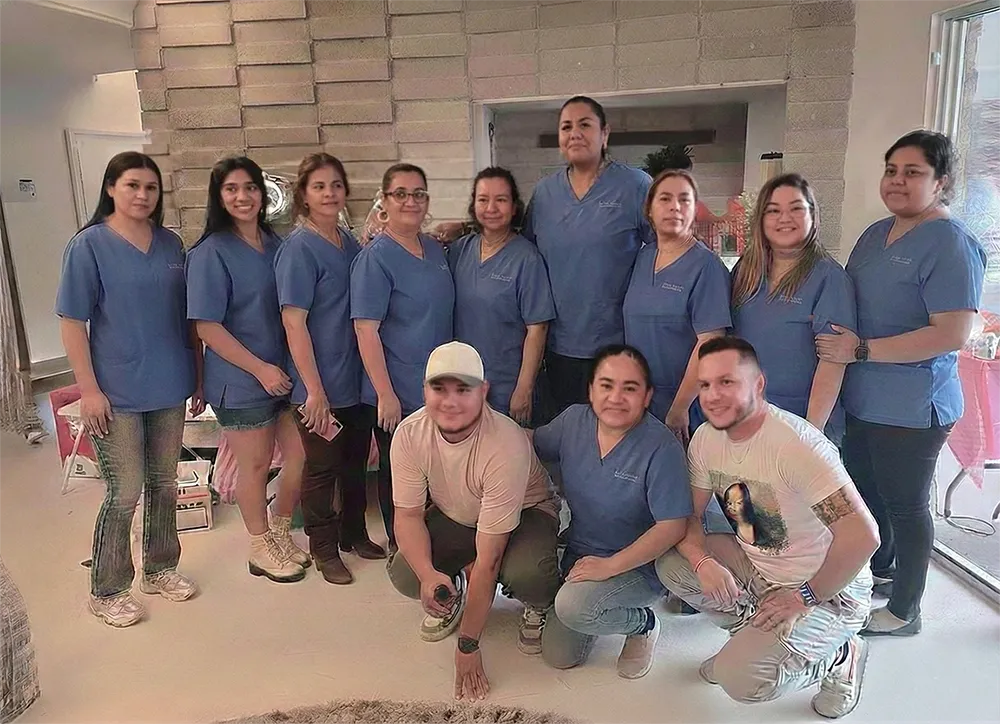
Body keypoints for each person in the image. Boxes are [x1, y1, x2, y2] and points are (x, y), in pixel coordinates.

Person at [816, 131, 986, 636]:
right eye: (892, 170)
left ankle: (905, 610)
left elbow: (952, 332)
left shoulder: (951, 243)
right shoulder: (876, 234)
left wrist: (863, 351)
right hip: (864, 397)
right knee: (867, 496)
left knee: (906, 507)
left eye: (913, 172)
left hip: (913, 405)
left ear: (942, 182)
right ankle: (882, 574)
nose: (897, 181)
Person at [656, 336, 879, 719]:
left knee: (742, 680)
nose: (713, 396)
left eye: (727, 382)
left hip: (828, 590)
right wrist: (702, 563)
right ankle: (752, 637)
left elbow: (863, 537)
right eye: (705, 384)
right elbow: (689, 517)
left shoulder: (797, 446)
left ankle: (842, 654)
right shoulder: (706, 440)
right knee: (674, 565)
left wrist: (804, 597)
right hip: (762, 567)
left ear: (758, 384)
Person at [56, 152, 201, 626]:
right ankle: (107, 588)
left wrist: (196, 376)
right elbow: (73, 323)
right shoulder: (89, 246)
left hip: (169, 383)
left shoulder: (171, 245)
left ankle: (160, 569)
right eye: (132, 185)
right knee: (125, 490)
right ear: (111, 188)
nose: (142, 195)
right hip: (114, 391)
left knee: (164, 482)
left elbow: (187, 319)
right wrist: (89, 390)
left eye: (151, 187)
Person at [387, 341, 561, 701]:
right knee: (406, 572)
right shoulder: (408, 434)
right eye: (439, 388)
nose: (450, 401)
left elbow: (489, 559)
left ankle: (538, 602)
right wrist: (428, 575)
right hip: (460, 513)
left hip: (527, 513)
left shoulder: (506, 443)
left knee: (530, 575)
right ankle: (451, 587)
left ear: (483, 391)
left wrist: (468, 644)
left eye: (463, 389)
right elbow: (407, 515)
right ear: (424, 391)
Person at [186, 156, 309, 584]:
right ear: (218, 197)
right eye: (232, 189)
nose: (243, 197)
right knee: (254, 466)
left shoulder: (277, 244)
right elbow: (206, 327)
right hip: (240, 380)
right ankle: (259, 546)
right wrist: (260, 369)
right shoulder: (210, 253)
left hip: (283, 376)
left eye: (250, 187)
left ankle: (279, 530)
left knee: (300, 456)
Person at [535, 345, 692, 679]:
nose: (616, 398)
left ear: (647, 396)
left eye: (630, 388)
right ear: (591, 390)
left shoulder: (661, 448)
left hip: (637, 565)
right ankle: (593, 604)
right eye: (606, 385)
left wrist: (609, 567)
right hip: (581, 553)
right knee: (559, 655)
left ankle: (643, 624)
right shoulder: (572, 422)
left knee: (572, 607)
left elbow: (673, 526)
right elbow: (531, 444)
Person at [276, 153, 385, 586]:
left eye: (336, 185)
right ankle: (323, 549)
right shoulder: (298, 249)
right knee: (321, 469)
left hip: (354, 378)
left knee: (355, 462)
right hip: (318, 382)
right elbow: (294, 322)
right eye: (319, 186)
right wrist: (313, 391)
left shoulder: (349, 243)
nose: (329, 193)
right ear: (303, 195)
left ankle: (353, 533)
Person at [524, 96, 656, 422]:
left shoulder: (635, 186)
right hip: (557, 347)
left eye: (585, 125)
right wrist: (465, 229)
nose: (575, 134)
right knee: (566, 436)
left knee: (615, 436)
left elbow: (665, 248)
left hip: (617, 346)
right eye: (566, 127)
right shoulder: (544, 194)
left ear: (604, 134)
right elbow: (520, 251)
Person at [351, 163, 455, 552]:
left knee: (436, 474)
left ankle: (436, 544)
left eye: (418, 194)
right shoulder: (375, 258)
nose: (410, 201)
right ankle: (404, 550)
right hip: (396, 388)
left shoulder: (434, 249)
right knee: (400, 477)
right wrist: (385, 394)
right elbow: (366, 330)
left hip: (437, 387)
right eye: (400, 194)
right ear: (384, 201)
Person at [732, 173, 856, 443]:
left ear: (813, 216)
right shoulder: (746, 271)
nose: (784, 218)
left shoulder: (829, 278)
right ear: (760, 219)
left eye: (796, 209)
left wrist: (810, 435)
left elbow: (832, 362)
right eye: (773, 210)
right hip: (745, 415)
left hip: (800, 421)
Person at [622, 169, 730, 442]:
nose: (675, 207)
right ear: (649, 209)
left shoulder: (706, 266)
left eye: (684, 199)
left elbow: (710, 342)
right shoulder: (642, 258)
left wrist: (680, 407)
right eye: (665, 199)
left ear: (695, 210)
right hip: (640, 400)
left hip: (686, 406)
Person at [448, 167, 555, 423]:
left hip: (507, 385)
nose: (491, 208)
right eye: (483, 199)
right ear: (473, 205)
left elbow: (537, 328)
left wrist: (524, 388)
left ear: (514, 206)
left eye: (501, 200)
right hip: (463, 382)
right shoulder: (459, 251)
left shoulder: (527, 258)